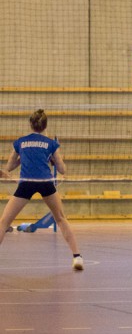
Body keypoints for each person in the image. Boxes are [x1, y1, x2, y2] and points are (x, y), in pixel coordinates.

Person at [0, 109, 83, 270]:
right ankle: (77, 257)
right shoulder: (51, 144)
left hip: (26, 183)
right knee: (60, 219)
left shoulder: (20, 142)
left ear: (30, 124)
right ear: (45, 125)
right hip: (45, 182)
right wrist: (52, 159)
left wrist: (22, 159)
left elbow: (9, 167)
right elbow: (62, 169)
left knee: (4, 222)